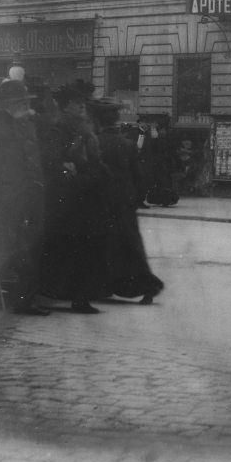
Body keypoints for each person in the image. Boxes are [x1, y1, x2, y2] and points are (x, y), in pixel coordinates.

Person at [0, 77, 49, 315]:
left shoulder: (22, 125)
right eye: (20, 101)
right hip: (4, 201)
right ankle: (23, 299)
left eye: (25, 101)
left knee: (20, 248)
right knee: (12, 250)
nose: (25, 106)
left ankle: (20, 295)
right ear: (7, 103)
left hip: (25, 199)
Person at [37, 82, 109, 314]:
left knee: (80, 249)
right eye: (78, 105)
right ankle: (73, 297)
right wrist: (69, 168)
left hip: (83, 195)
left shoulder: (83, 128)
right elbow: (54, 162)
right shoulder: (59, 129)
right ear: (67, 106)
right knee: (71, 249)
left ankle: (78, 296)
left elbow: (92, 161)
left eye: (82, 105)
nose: (82, 109)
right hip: (67, 199)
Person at [89, 99, 164, 304]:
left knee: (102, 245)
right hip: (123, 201)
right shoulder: (127, 144)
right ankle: (145, 286)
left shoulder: (93, 142)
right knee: (129, 245)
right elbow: (139, 177)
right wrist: (133, 197)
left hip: (101, 200)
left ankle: (102, 285)